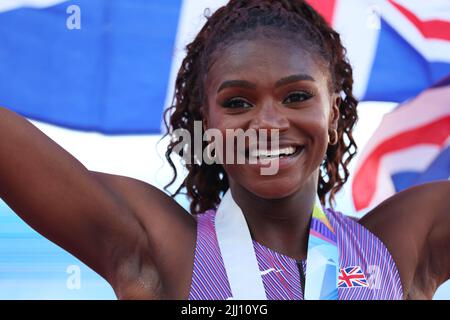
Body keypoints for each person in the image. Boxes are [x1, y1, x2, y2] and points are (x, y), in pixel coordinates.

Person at [0, 0, 448, 300]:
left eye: (297, 97)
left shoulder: (398, 244)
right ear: (206, 125)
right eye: (237, 102)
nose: (269, 123)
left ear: (333, 114)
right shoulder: (165, 249)